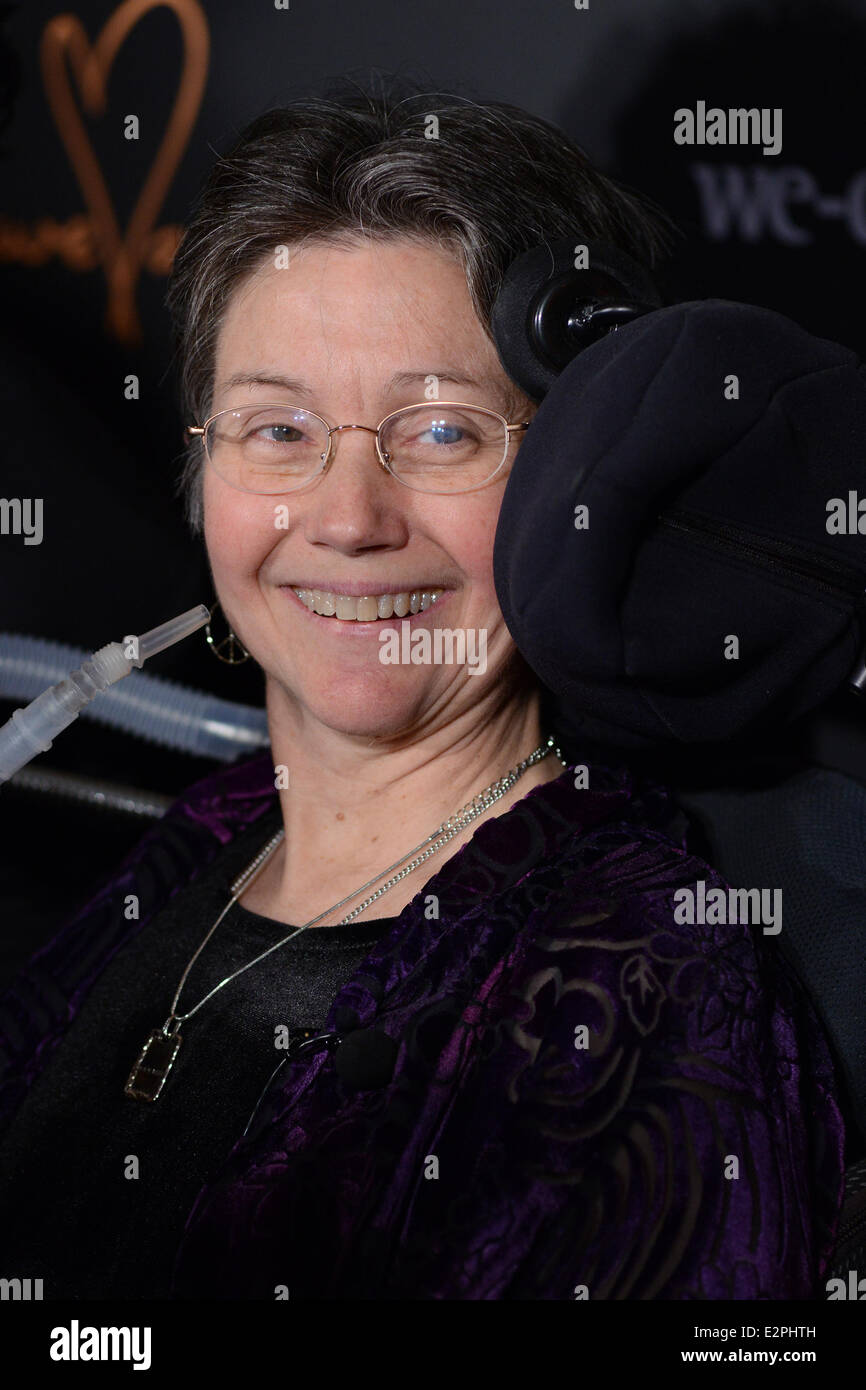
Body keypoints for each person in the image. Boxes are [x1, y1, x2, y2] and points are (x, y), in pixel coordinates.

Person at [0, 80, 844, 1300]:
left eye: (442, 432)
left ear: (581, 490)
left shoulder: (643, 983)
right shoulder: (202, 840)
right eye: (276, 430)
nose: (345, 520)